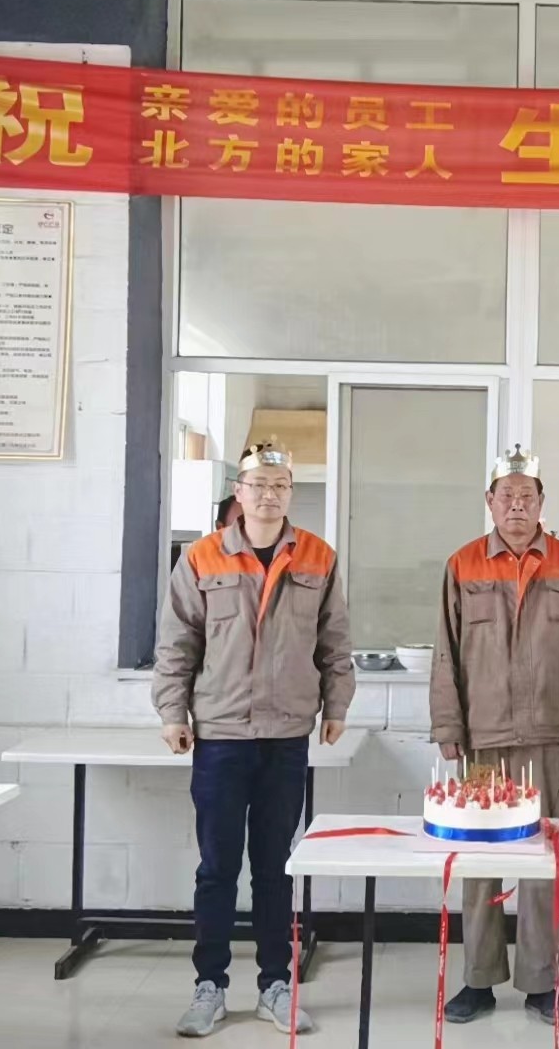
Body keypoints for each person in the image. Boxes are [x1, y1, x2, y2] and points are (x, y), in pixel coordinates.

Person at [154, 441, 355, 1038]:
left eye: (280, 485)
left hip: (286, 734)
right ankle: (209, 986)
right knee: (217, 867)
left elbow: (335, 641)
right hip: (221, 735)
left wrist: (337, 704)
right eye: (258, 485)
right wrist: (172, 712)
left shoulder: (317, 556)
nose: (269, 495)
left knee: (274, 867)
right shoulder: (202, 557)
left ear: (291, 493)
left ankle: (275, 986)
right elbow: (177, 643)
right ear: (238, 493)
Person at [431, 445, 559, 1028]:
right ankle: (478, 980)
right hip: (483, 737)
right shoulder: (463, 565)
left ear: (540, 503)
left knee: (542, 867)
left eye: (526, 496)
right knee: (481, 864)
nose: (516, 505)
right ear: (489, 502)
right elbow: (445, 652)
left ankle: (540, 984)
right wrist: (448, 726)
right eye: (505, 496)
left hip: (549, 736)